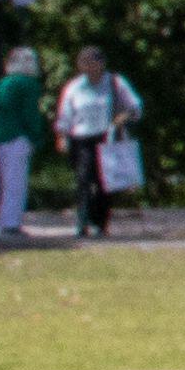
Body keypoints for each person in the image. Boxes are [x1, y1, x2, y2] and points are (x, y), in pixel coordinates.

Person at [58, 45, 144, 241]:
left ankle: (100, 223)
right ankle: (82, 223)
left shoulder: (115, 83)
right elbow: (65, 114)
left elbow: (135, 107)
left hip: (107, 137)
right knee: (83, 180)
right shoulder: (74, 87)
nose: (89, 69)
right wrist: (62, 136)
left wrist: (124, 116)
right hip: (82, 138)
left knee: (104, 182)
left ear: (101, 64)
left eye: (93, 64)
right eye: (84, 64)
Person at [0, 43, 49, 243]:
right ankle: (11, 225)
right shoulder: (29, 84)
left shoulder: (2, 84)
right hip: (19, 137)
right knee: (17, 183)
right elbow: (31, 115)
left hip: (0, 137)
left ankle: (5, 221)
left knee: (5, 181)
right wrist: (36, 136)